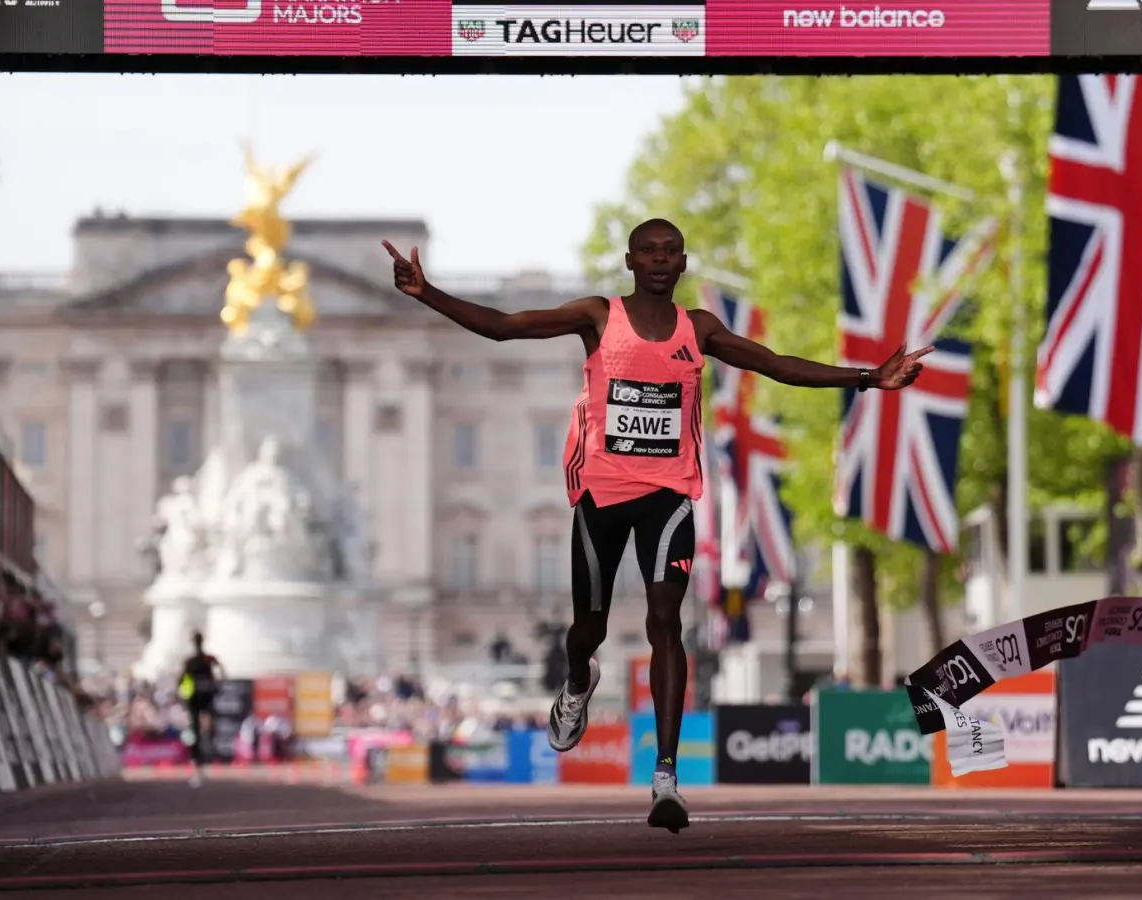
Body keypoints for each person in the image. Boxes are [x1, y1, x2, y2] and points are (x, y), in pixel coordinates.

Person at [382, 220, 930, 832]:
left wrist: (868, 379)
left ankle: (666, 775)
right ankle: (577, 679)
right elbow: (506, 328)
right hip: (601, 498)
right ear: (630, 260)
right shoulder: (597, 316)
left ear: (684, 262)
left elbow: (775, 364)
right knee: (586, 629)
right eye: (650, 252)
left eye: (671, 252)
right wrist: (425, 293)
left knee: (664, 618)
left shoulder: (699, 330)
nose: (661, 261)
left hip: (669, 496)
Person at [179, 631, 225, 787]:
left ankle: (203, 753)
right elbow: (181, 679)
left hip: (202, 698)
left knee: (203, 727)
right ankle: (198, 758)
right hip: (198, 699)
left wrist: (217, 684)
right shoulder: (193, 661)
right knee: (197, 729)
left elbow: (221, 669)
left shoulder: (204, 659)